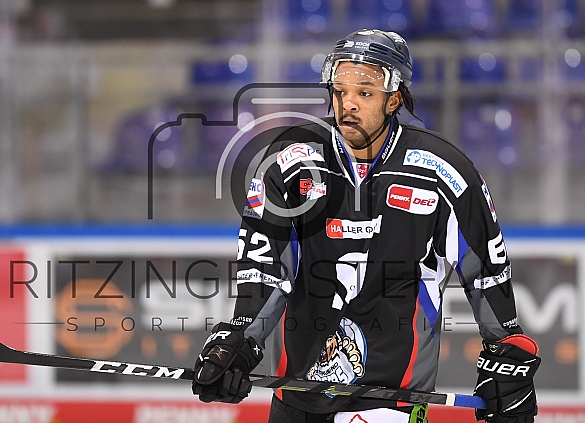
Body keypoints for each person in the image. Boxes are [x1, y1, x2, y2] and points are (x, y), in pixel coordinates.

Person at [192, 29, 541, 423]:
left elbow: (487, 270)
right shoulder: (289, 162)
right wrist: (240, 340)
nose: (348, 104)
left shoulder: (444, 172)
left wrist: (506, 350)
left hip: (392, 401)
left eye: (364, 93)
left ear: (394, 98)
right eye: (340, 91)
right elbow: (266, 267)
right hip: (297, 398)